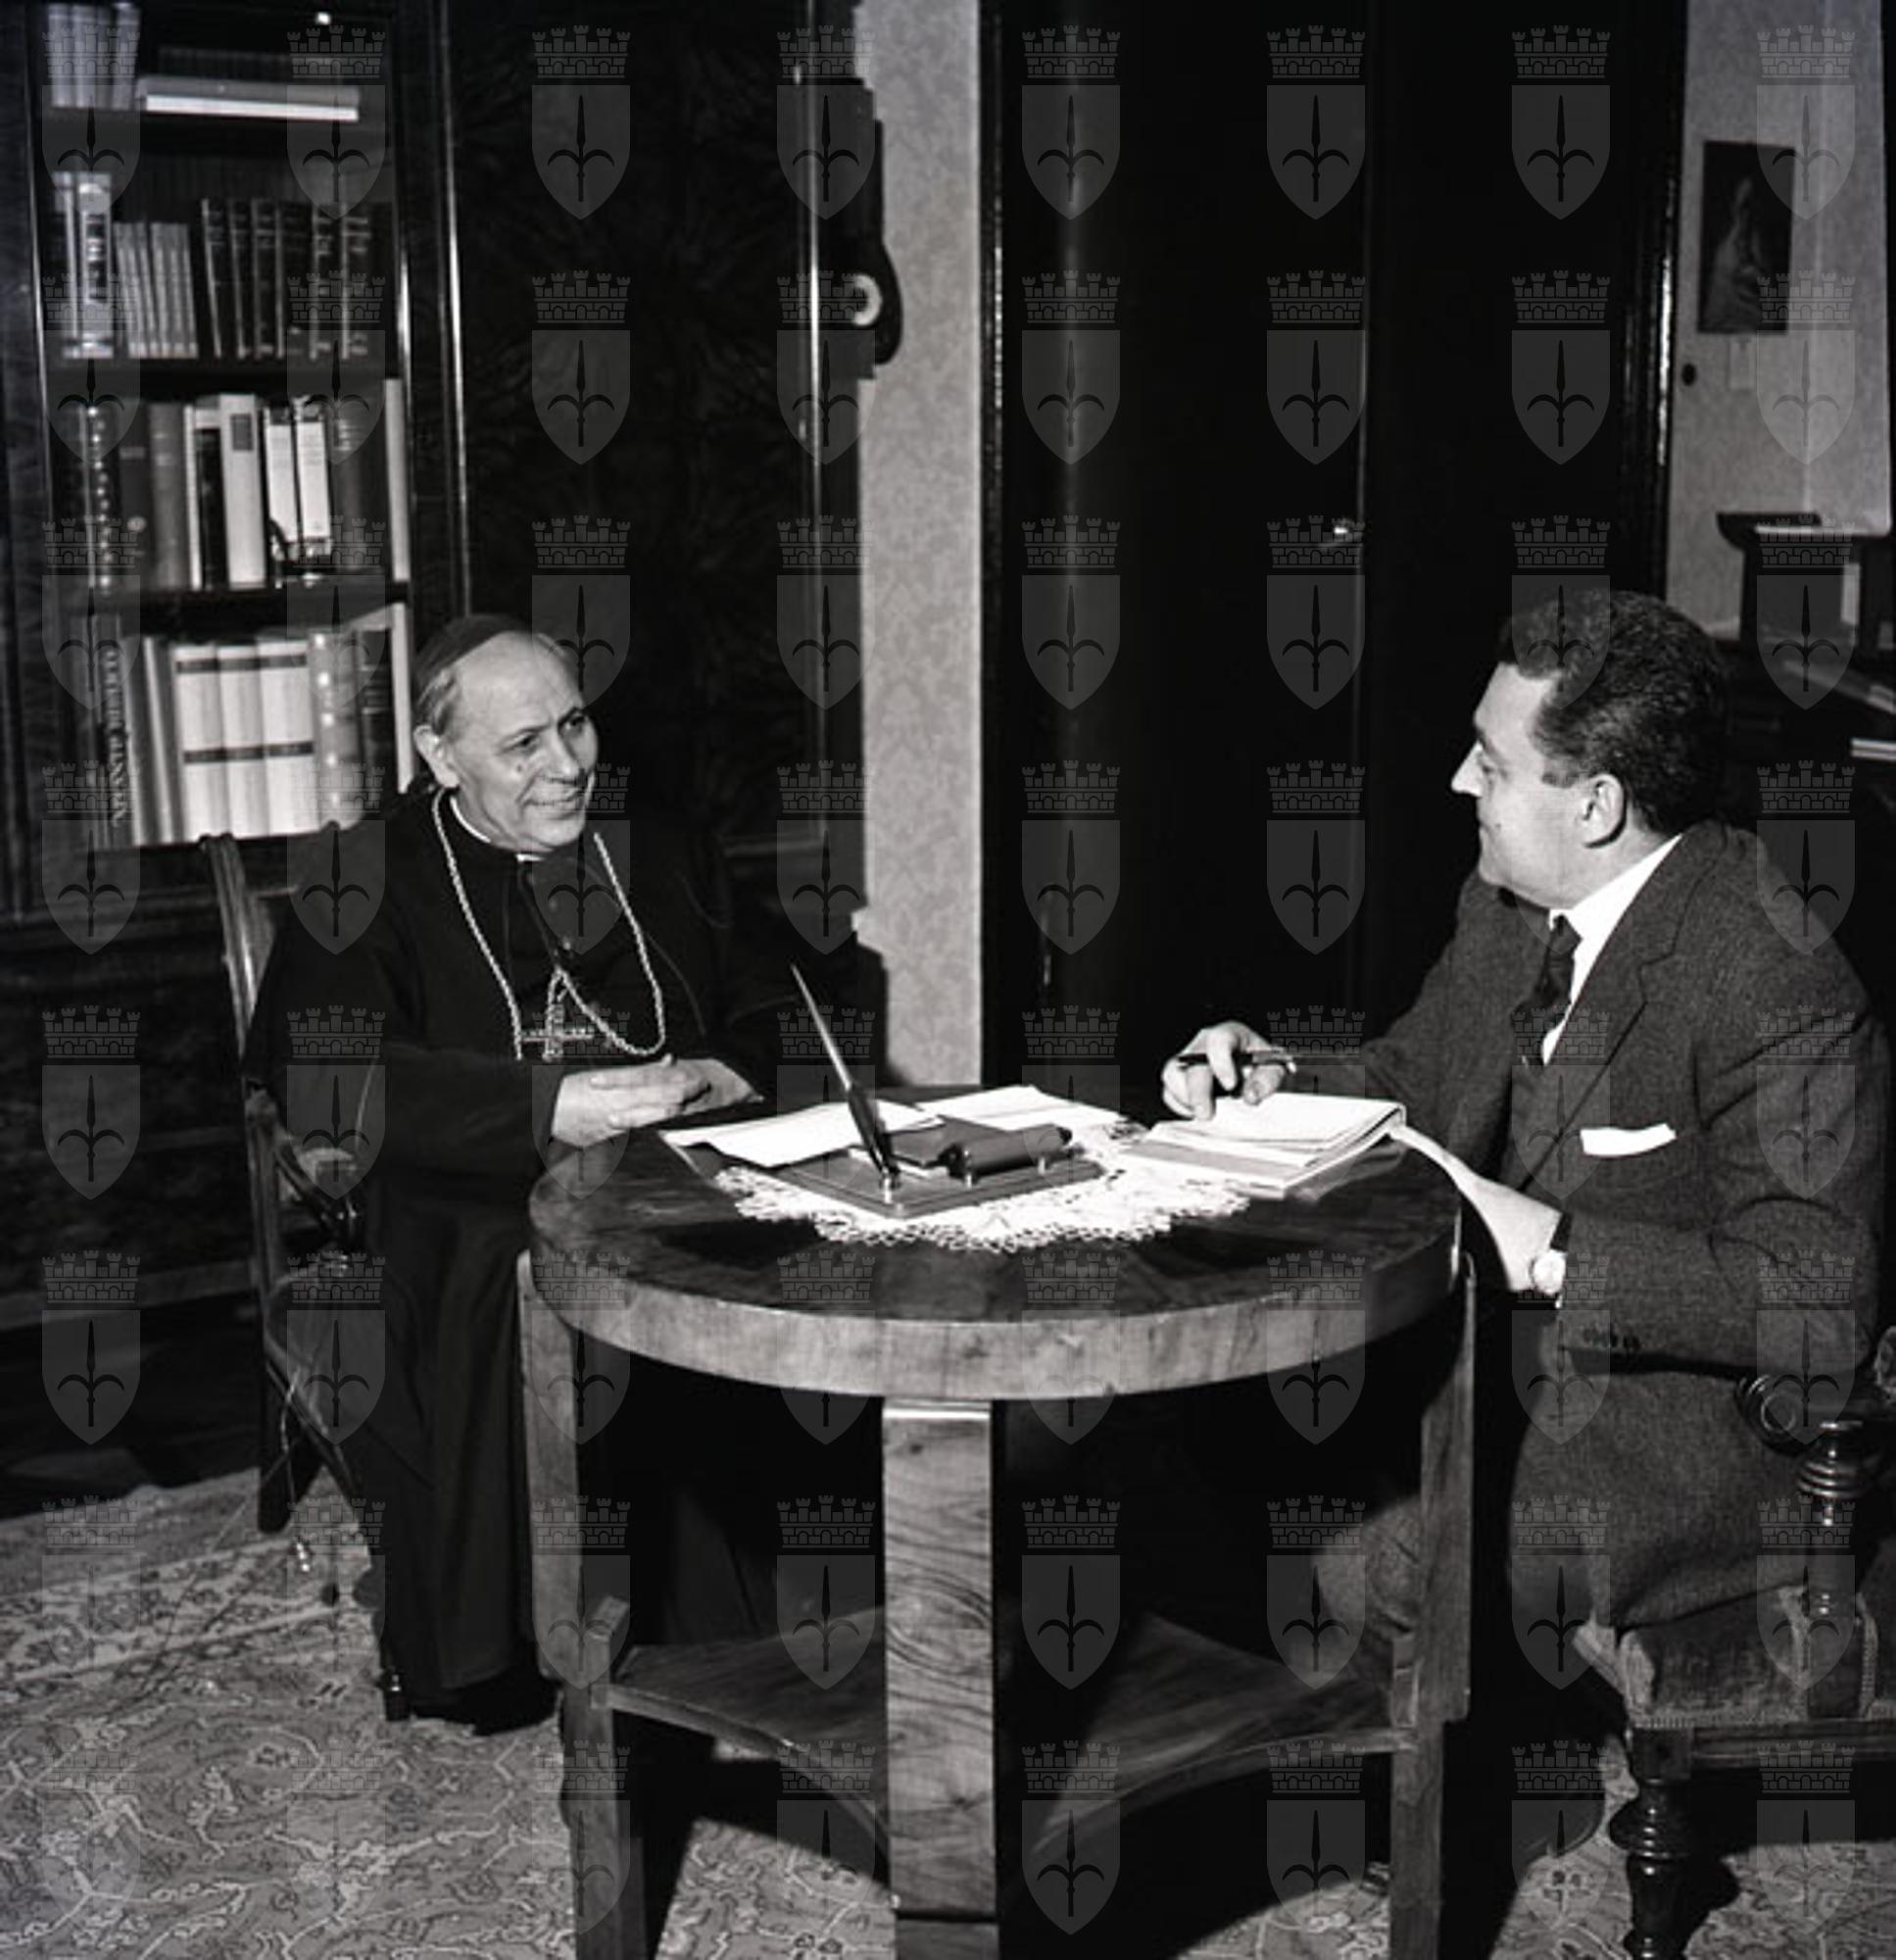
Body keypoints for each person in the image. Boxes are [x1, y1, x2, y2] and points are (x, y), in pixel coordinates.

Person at [1162, 588, 1886, 1638]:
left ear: (1596, 807)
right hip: (1479, 1372)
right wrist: (1270, 1079)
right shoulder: (1510, 902)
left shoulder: (1774, 979)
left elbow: (1821, 1299)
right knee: (1186, 1428)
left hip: (1659, 1454)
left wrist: (1550, 1251)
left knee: (1341, 1542)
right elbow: (1415, 1072)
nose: (1460, 781)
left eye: (1491, 765)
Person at [247, 614, 799, 1725]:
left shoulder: (662, 846)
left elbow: (779, 1003)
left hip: (672, 1164)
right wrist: (552, 1105)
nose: (566, 765)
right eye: (523, 745)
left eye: (575, 726)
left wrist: (727, 1070)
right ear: (440, 755)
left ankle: (746, 1616)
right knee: (514, 1269)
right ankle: (524, 1629)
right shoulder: (360, 876)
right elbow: (321, 1072)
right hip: (472, 1185)